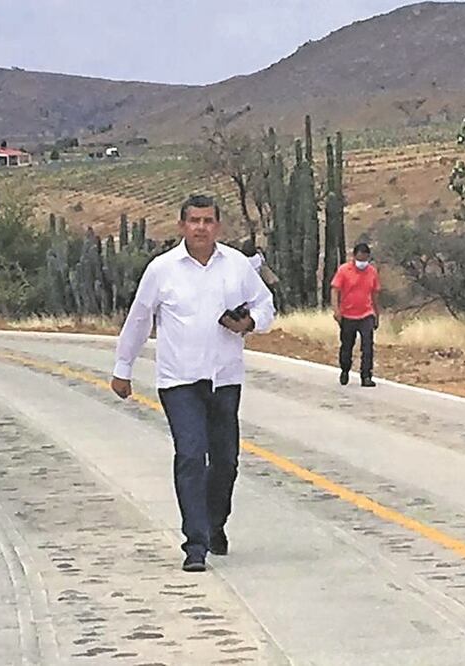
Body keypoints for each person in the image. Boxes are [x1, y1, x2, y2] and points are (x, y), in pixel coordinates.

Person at [110, 194, 275, 572]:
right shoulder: (161, 270)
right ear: (182, 225)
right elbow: (139, 319)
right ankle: (195, 544)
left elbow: (265, 304)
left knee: (225, 461)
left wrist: (249, 322)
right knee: (190, 455)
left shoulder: (237, 265)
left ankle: (215, 523)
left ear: (218, 225)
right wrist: (123, 367)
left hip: (224, 379)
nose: (201, 227)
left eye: (208, 221)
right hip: (179, 380)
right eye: (194, 221)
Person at [330, 242, 381, 387]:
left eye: (365, 259)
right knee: (347, 346)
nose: (362, 262)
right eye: (360, 259)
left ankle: (366, 376)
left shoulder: (372, 272)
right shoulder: (344, 270)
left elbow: (375, 294)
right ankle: (345, 369)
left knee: (368, 345)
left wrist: (377, 315)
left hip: (366, 314)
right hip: (347, 315)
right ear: (354, 257)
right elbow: (335, 290)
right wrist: (336, 310)